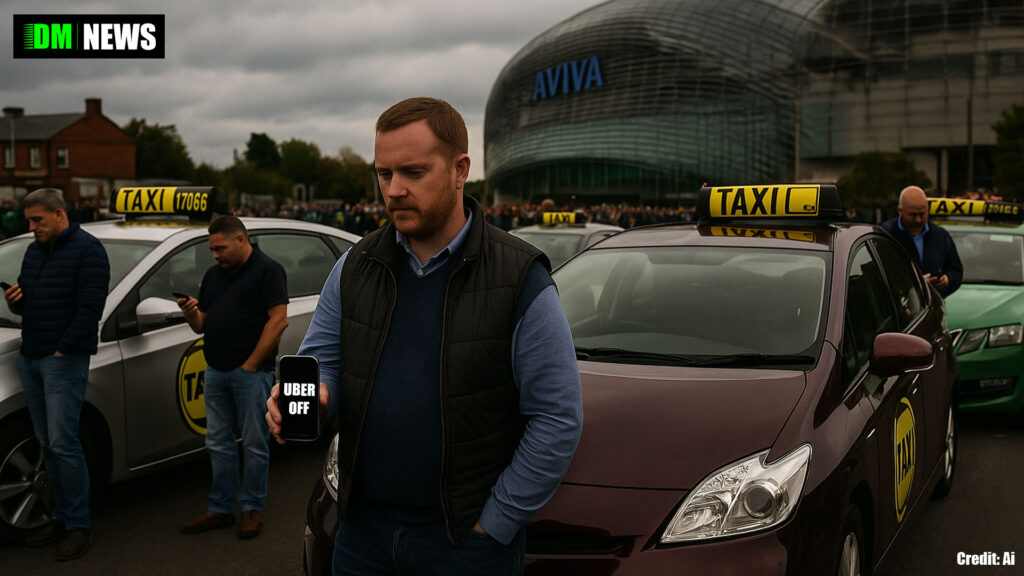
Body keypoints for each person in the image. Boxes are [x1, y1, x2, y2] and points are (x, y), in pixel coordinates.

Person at [265, 97, 583, 575]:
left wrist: (495, 524)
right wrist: (317, 396)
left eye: (413, 172)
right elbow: (321, 361)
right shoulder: (354, 267)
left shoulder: (520, 277)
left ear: (460, 170)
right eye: (383, 173)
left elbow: (557, 418)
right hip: (362, 534)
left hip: (465, 544)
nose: (393, 190)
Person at [3, 188, 109, 561]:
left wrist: (64, 346)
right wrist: (18, 301)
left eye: (37, 220)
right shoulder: (35, 251)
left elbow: (90, 308)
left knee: (64, 443)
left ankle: (78, 525)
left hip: (62, 359)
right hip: (31, 356)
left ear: (59, 215)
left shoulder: (89, 251)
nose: (31, 228)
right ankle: (60, 517)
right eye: (28, 221)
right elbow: (36, 303)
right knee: (47, 444)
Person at [178, 215, 288, 539]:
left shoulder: (269, 270)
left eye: (220, 248)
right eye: (212, 250)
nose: (215, 255)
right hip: (215, 372)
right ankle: (221, 509)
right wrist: (190, 313)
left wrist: (251, 365)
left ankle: (252, 509)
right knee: (217, 443)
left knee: (254, 443)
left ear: (241, 239)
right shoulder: (214, 275)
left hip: (250, 375)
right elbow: (202, 324)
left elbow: (278, 321)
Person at [881, 185, 963, 297]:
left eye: (922, 214)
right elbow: (879, 279)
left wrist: (947, 280)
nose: (918, 220)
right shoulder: (885, 236)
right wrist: (915, 285)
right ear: (900, 211)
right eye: (913, 215)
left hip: (933, 308)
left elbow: (956, 270)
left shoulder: (940, 235)